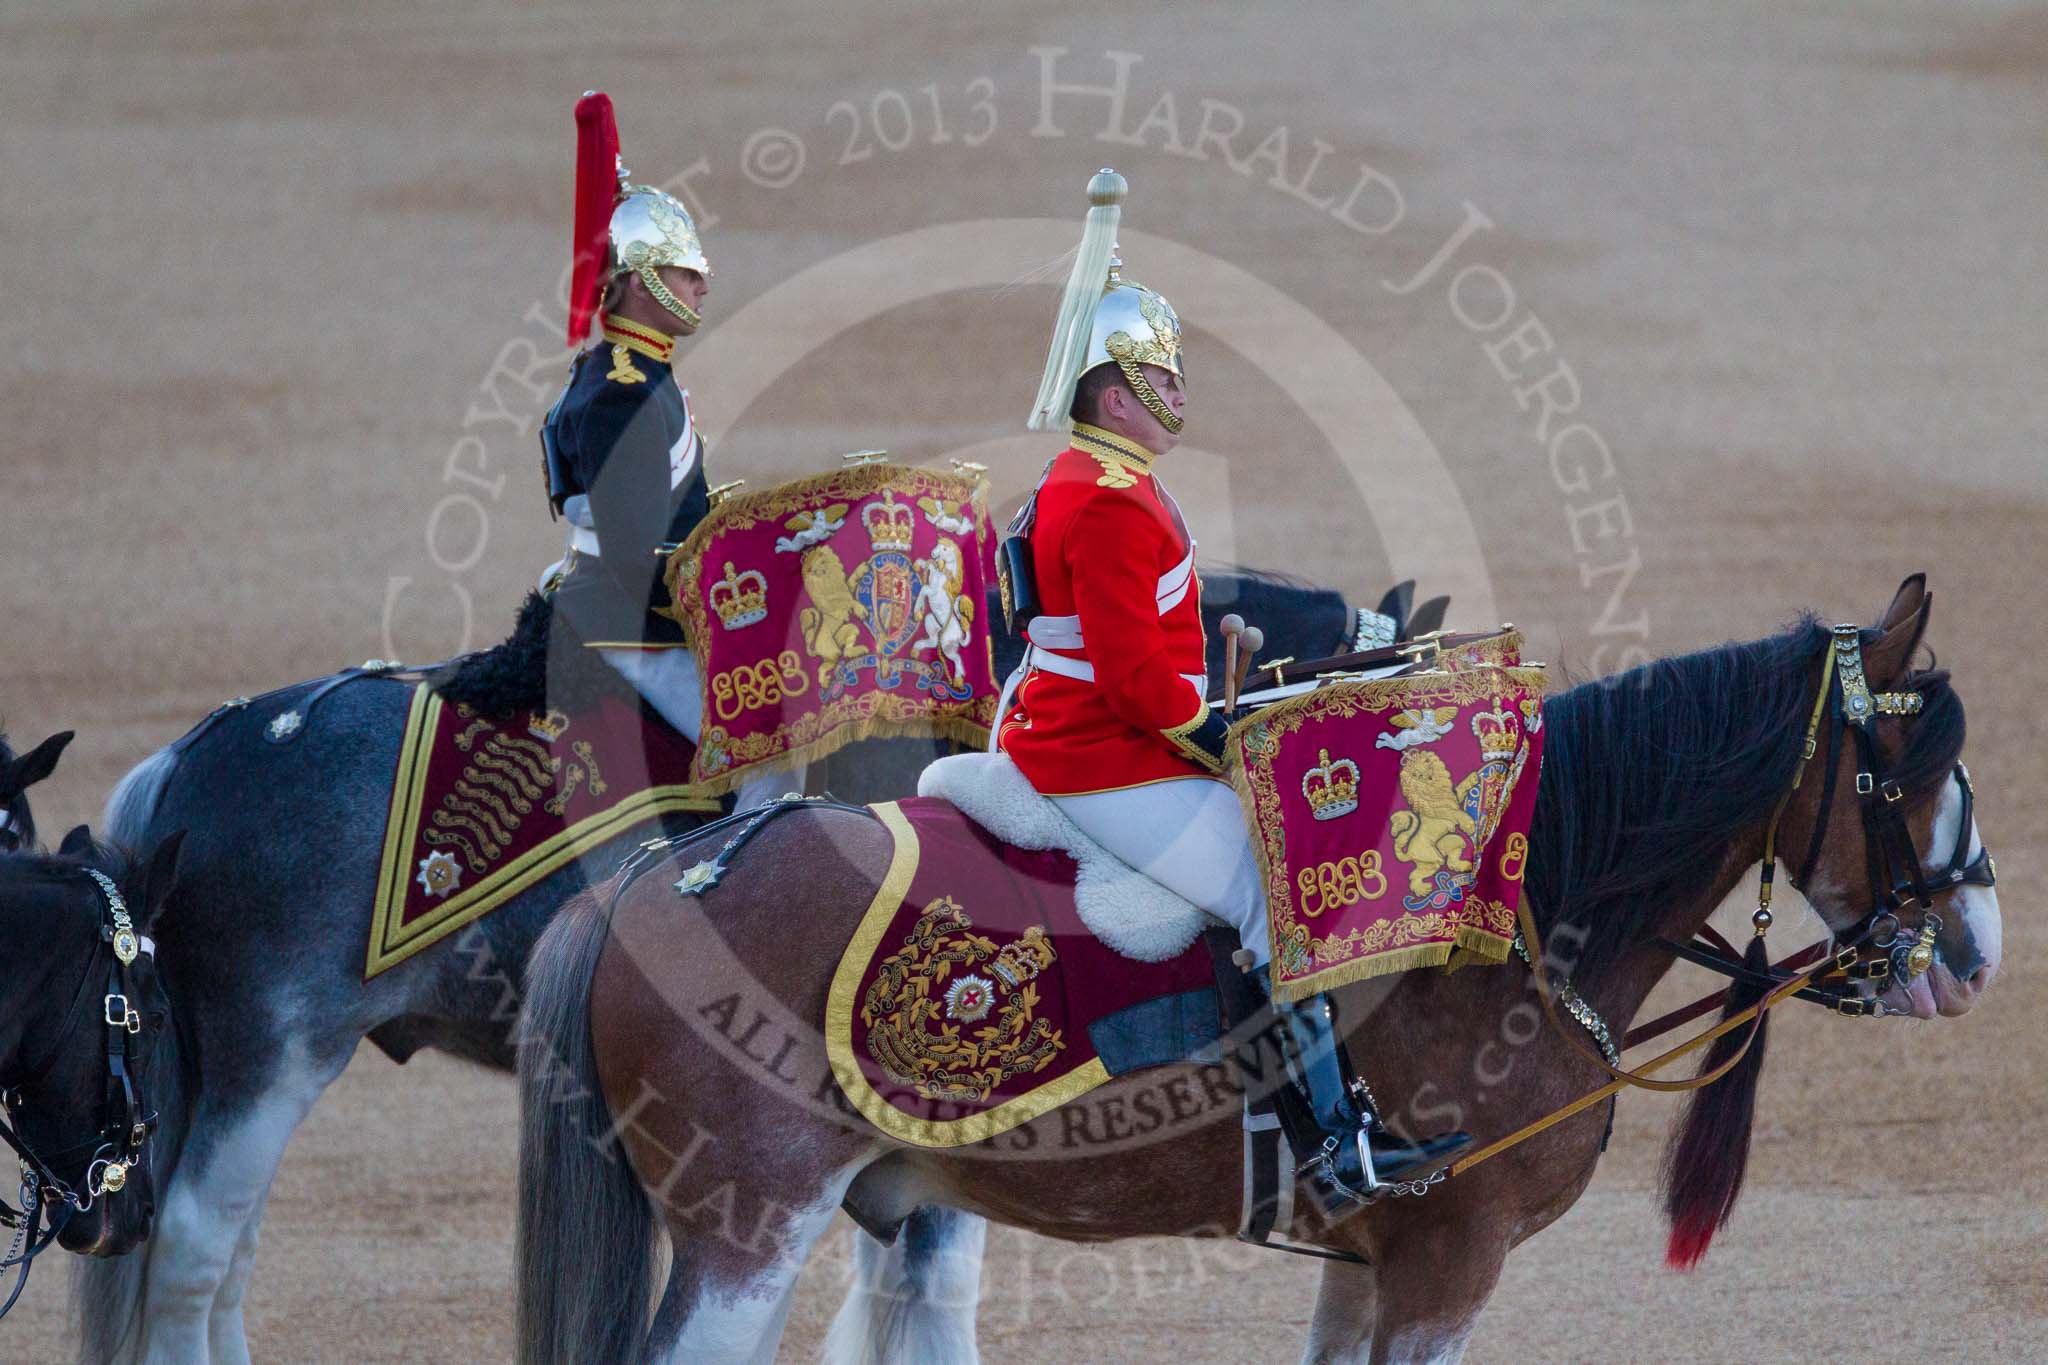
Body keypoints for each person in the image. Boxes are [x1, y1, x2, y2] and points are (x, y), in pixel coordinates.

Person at [996, 169, 1469, 1202]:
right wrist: (1219, 734)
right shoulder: (1112, 498)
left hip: (1074, 726)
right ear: (1111, 392)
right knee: (1277, 891)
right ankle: (1333, 1151)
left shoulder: (1093, 475)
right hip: (1098, 753)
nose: (1178, 392)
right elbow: (1132, 682)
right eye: (1159, 379)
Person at [538, 92, 794, 809]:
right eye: (686, 272)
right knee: (772, 743)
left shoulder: (639, 372)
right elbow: (635, 554)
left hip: (638, 601)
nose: (703, 283)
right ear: (641, 278)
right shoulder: (621, 387)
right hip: (631, 623)